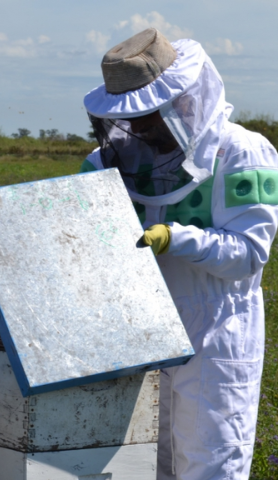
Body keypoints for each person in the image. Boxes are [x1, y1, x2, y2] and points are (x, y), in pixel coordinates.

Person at [81, 28, 277, 479]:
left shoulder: (240, 152)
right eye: (134, 119)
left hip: (216, 333)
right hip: (141, 332)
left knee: (211, 465)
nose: (142, 128)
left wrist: (177, 238)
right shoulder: (115, 159)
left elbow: (248, 254)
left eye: (150, 115)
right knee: (145, 464)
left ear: (186, 99)